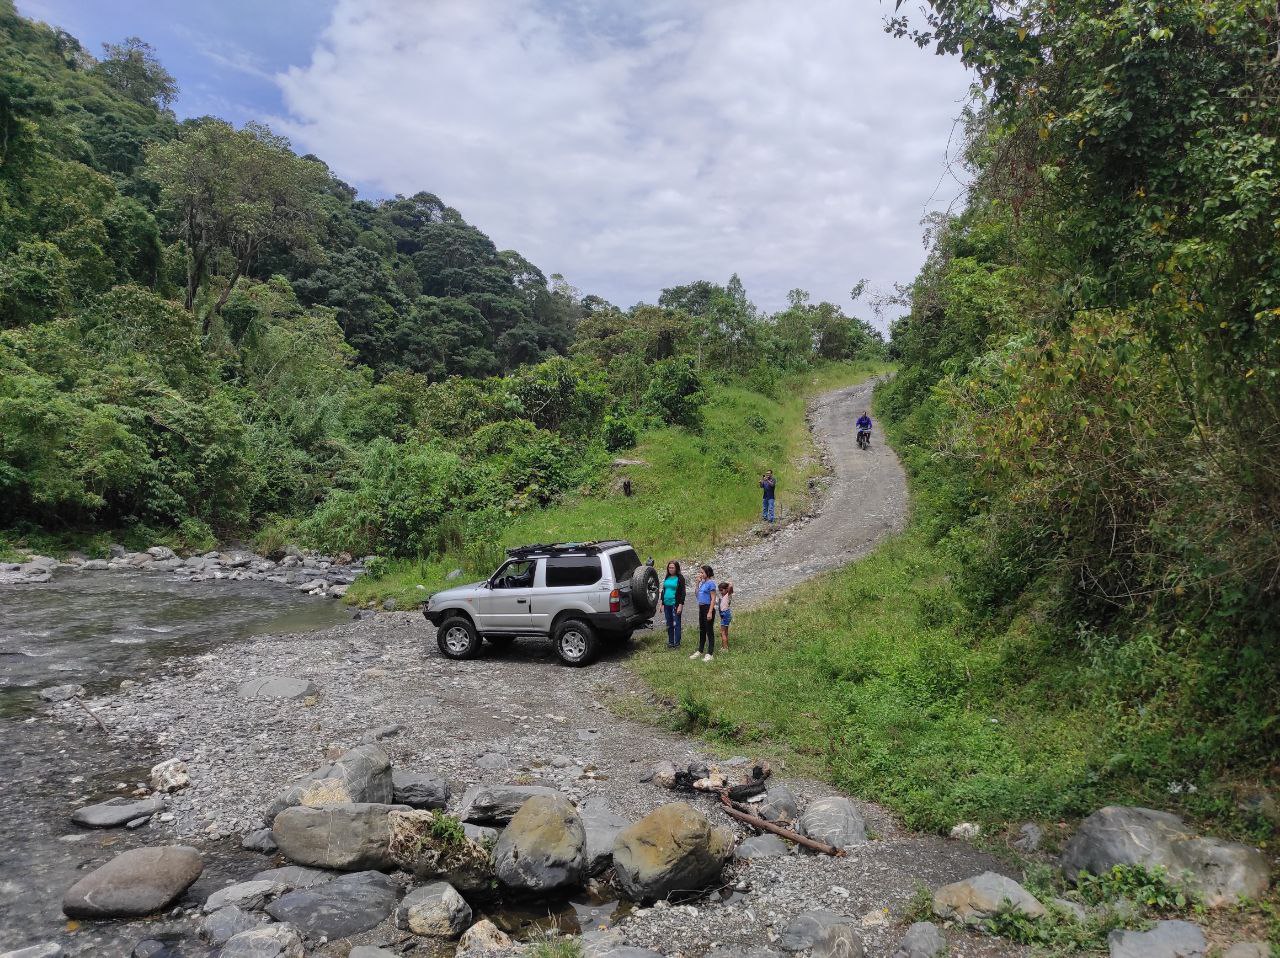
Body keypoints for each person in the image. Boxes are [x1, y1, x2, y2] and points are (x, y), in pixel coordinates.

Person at [690, 564, 717, 662]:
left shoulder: (711, 583)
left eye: (702, 572)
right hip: (701, 608)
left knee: (709, 630)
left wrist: (710, 612)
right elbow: (697, 595)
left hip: (708, 608)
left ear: (707, 573)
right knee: (702, 630)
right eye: (700, 572)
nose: (700, 574)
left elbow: (713, 598)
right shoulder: (702, 583)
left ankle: (710, 653)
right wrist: (697, 584)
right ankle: (700, 650)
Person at [661, 560, 685, 649]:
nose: (670, 569)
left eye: (672, 568)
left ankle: (677, 643)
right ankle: (671, 642)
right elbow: (664, 590)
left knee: (676, 623)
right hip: (667, 604)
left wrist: (680, 604)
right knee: (669, 623)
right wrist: (662, 603)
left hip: (675, 603)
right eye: (669, 567)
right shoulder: (667, 577)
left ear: (676, 568)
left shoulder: (680, 578)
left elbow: (683, 592)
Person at [716, 581, 733, 652]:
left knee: (722, 632)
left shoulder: (728, 595)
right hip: (724, 614)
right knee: (725, 632)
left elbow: (731, 587)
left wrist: (729, 583)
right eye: (720, 590)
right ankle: (724, 647)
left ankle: (725, 649)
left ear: (726, 589)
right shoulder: (723, 597)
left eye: (722, 590)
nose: (721, 592)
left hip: (725, 614)